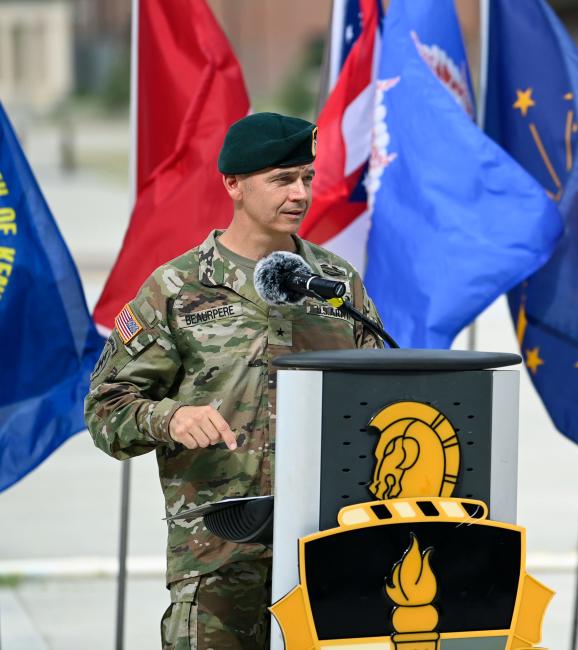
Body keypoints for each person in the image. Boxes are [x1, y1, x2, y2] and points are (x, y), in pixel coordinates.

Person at [85, 112, 383, 649]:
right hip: (217, 559)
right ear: (233, 184)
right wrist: (171, 417)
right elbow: (105, 409)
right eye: (281, 179)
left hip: (329, 552)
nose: (299, 193)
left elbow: (387, 393)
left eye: (306, 178)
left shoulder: (336, 284)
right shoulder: (176, 288)